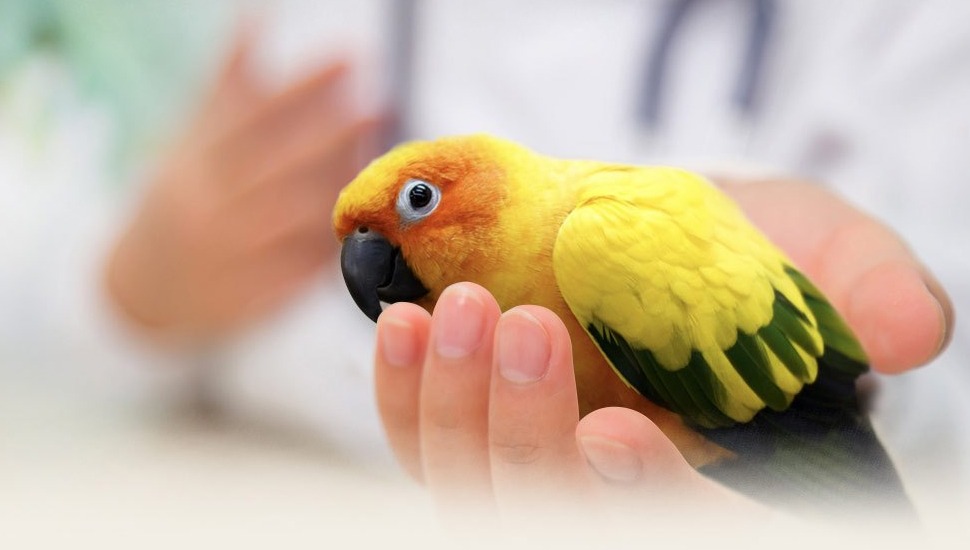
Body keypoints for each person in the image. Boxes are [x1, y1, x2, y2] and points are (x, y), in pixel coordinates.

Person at [3, 0, 965, 536]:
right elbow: (57, 275)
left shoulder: (598, 239)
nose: (375, 251)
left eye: (419, 200)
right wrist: (135, 289)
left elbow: (931, 328)